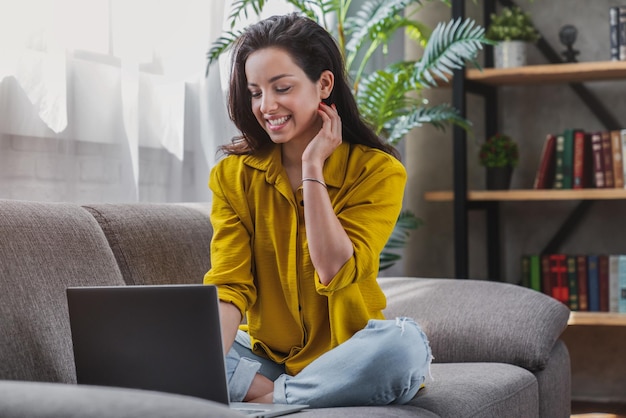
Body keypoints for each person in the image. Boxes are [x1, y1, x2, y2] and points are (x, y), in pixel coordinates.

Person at [204, 12, 431, 408]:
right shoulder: (232, 176)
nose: (266, 105)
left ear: (323, 84)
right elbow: (230, 287)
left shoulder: (377, 171)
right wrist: (201, 362)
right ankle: (288, 396)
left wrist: (312, 168)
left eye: (282, 88)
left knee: (403, 346)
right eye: (256, 92)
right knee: (171, 350)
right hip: (267, 360)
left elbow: (335, 269)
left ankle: (267, 398)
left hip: (350, 356)